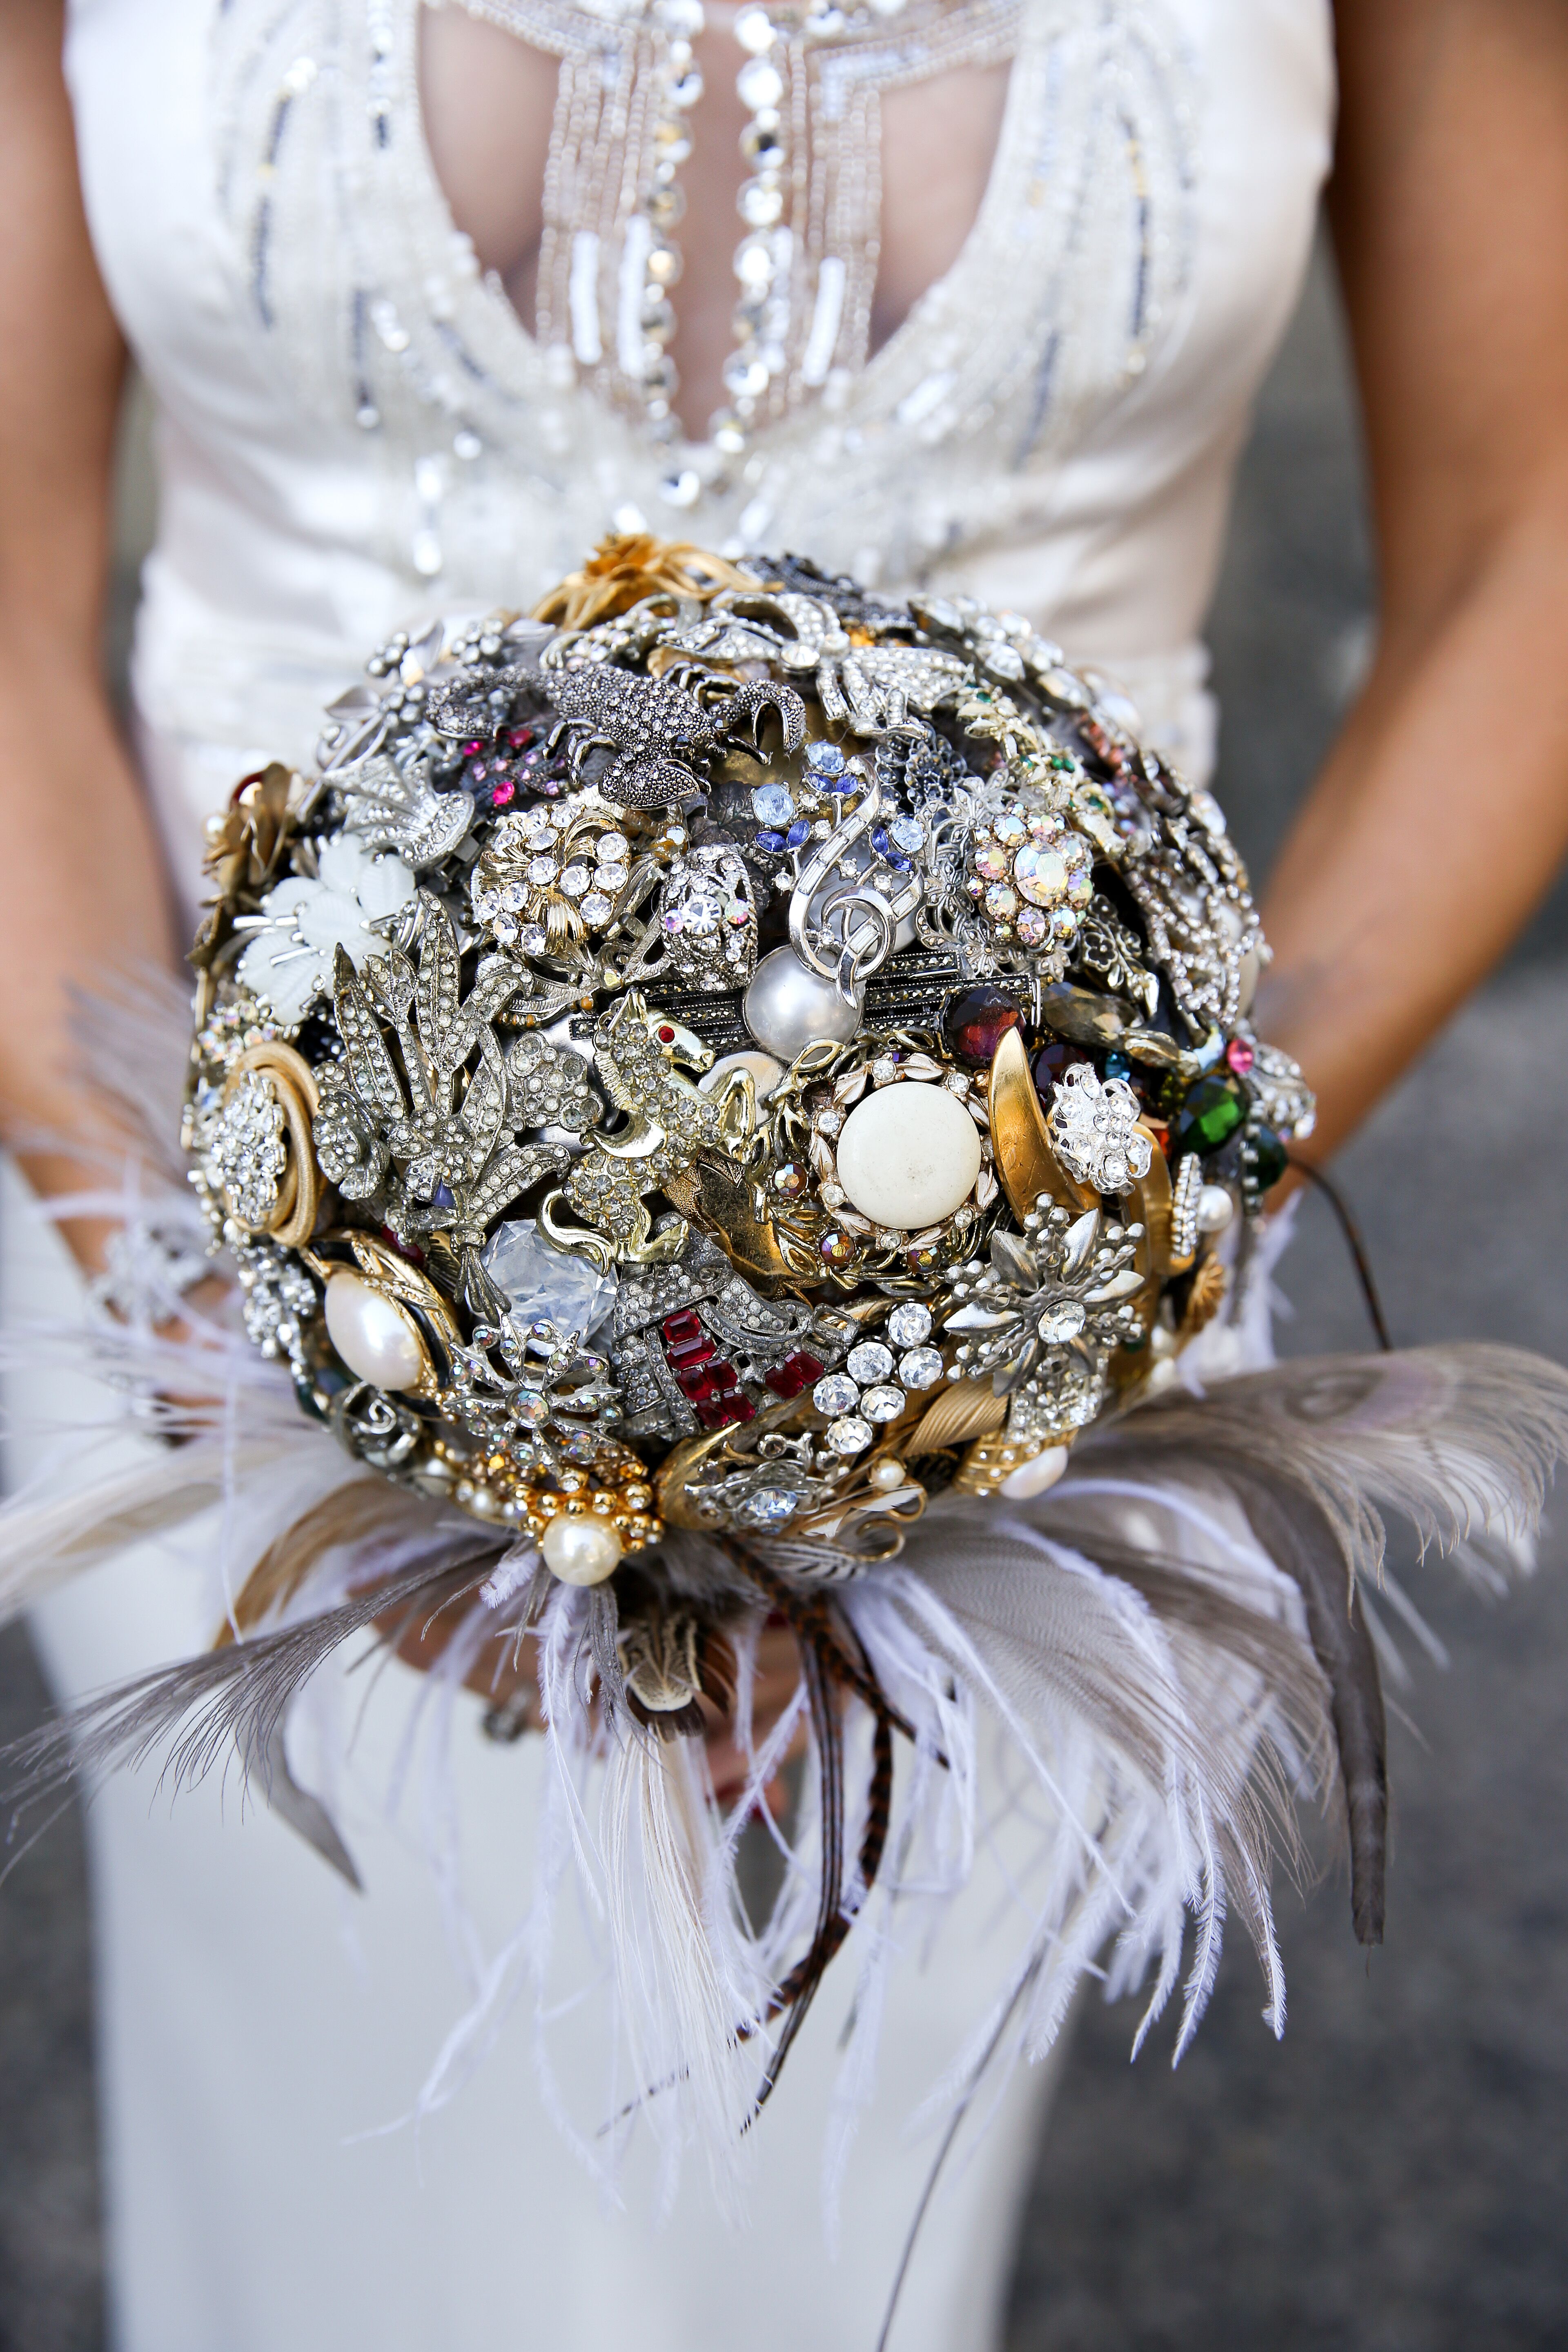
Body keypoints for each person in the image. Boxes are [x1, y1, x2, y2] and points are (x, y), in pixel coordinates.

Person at [1, 2, 1566, 2347]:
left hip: (1037, 1387)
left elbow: (1533, 544)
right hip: (211, 1332)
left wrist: (1123, 1228)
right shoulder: (202, 1323)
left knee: (826, 2266)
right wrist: (201, 1307)